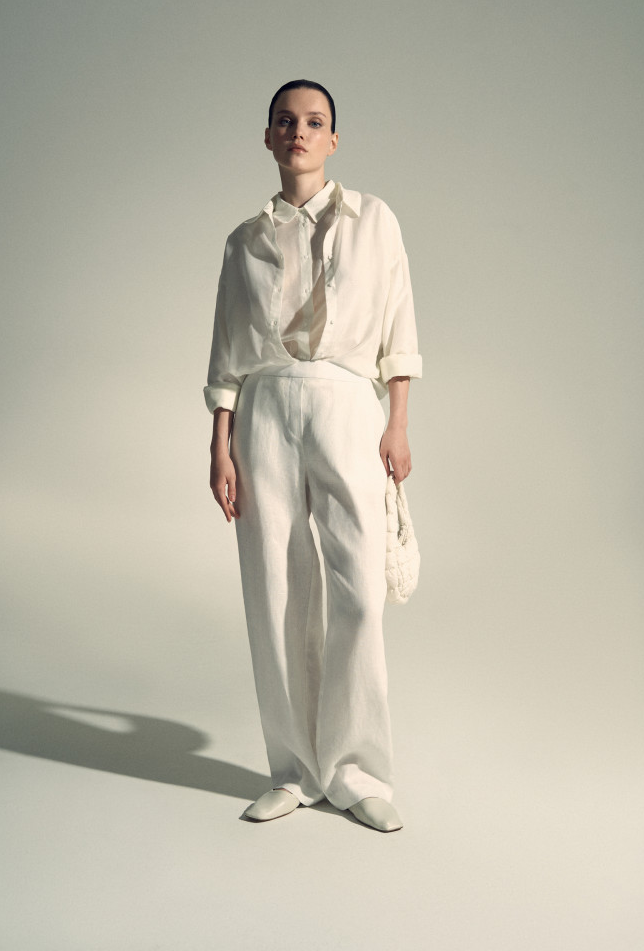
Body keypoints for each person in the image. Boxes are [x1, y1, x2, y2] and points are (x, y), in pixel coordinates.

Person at [204, 79, 422, 831]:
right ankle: (295, 770)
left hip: (346, 401)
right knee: (275, 589)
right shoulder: (244, 241)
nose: (298, 131)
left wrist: (398, 422)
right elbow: (227, 355)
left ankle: (357, 772)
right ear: (268, 136)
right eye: (285, 121)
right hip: (264, 408)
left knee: (358, 588)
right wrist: (220, 445)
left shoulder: (374, 221)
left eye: (314, 121)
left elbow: (399, 326)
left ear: (333, 138)